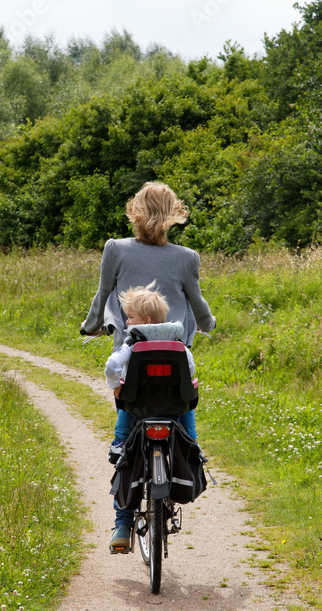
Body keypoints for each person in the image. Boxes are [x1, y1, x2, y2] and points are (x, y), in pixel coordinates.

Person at [80, 181, 215, 552]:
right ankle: (193, 459)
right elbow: (197, 303)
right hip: (174, 356)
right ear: (173, 214)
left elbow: (103, 294)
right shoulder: (187, 256)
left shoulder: (115, 249)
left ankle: (122, 524)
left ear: (134, 211)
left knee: (126, 433)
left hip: (135, 361)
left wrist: (91, 326)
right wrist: (207, 325)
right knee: (183, 412)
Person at [103, 281, 196, 553]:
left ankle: (119, 447)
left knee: (124, 442)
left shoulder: (133, 342)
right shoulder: (178, 343)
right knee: (189, 399)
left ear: (143, 320)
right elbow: (189, 372)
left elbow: (112, 365)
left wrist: (115, 384)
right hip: (174, 411)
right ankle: (192, 445)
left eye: (129, 316)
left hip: (139, 410)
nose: (126, 321)